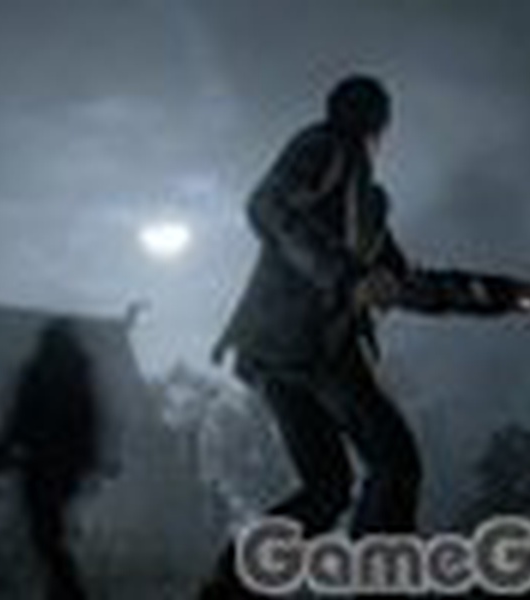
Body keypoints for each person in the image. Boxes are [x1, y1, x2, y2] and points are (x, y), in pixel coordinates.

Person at [201, 74, 530, 598]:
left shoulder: (369, 206)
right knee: (394, 463)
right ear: (379, 127)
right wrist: (345, 276)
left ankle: (230, 584)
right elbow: (268, 206)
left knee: (327, 490)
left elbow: (407, 286)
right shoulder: (325, 146)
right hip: (309, 344)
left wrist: (505, 295)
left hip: (277, 353)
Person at [4, 319, 99, 600]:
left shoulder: (40, 372)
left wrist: (8, 446)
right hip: (62, 467)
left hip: (43, 465)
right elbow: (88, 422)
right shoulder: (77, 374)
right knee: (48, 534)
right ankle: (61, 590)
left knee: (45, 535)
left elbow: (21, 416)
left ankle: (69, 590)